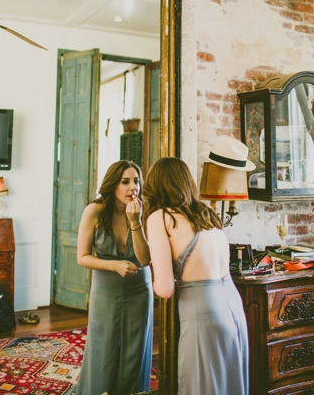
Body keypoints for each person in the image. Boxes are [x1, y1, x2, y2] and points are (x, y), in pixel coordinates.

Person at [143, 157, 248, 395]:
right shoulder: (207, 213)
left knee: (200, 385)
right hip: (232, 305)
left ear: (155, 185)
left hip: (203, 309)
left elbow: (165, 289)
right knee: (230, 385)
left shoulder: (160, 217)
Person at [75, 160, 153, 395]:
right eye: (125, 182)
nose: (133, 187)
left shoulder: (143, 210)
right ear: (112, 185)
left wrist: (135, 222)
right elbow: (82, 257)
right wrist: (114, 265)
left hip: (139, 290)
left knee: (134, 351)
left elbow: (145, 258)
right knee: (103, 350)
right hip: (105, 291)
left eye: (136, 181)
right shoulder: (95, 211)